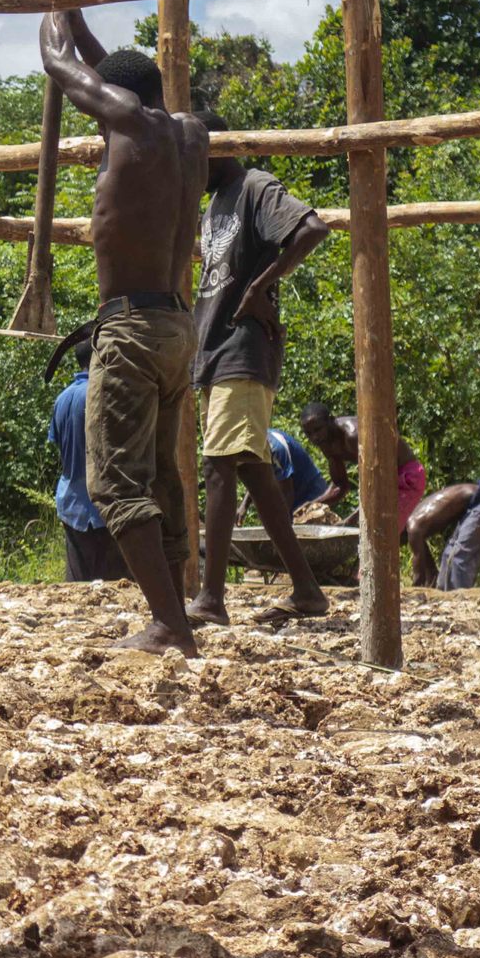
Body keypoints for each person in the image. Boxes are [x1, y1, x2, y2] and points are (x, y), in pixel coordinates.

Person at [39, 0, 208, 657]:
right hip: (176, 324)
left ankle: (169, 623)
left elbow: (58, 65)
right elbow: (112, 74)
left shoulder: (129, 125)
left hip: (134, 328)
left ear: (119, 100)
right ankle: (178, 618)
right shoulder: (189, 135)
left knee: (115, 482)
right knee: (164, 481)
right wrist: (81, 15)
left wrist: (52, 10)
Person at [185, 118, 332, 627]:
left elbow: (312, 229)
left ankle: (211, 597)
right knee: (249, 468)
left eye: (193, 154)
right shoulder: (212, 205)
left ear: (215, 149)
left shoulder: (254, 186)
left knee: (219, 465)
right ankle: (308, 590)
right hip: (215, 349)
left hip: (243, 348)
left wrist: (261, 286)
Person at [48, 339, 129, 582]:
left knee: (77, 585)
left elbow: (59, 442)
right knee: (114, 587)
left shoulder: (62, 398)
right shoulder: (105, 393)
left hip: (71, 502)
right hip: (105, 504)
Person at [300, 402, 428, 527]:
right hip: (384, 482)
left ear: (331, 420)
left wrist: (354, 518)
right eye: (309, 433)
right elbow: (340, 486)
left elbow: (380, 480)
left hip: (406, 478)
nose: (314, 437)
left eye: (318, 429)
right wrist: (312, 505)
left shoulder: (353, 436)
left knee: (383, 532)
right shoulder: (326, 443)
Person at [406, 481, 480, 590]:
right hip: (473, 505)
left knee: (459, 556)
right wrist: (431, 583)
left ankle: (459, 600)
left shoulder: (413, 527)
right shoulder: (415, 528)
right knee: (448, 555)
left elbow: (419, 576)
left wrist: (415, 591)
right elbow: (428, 564)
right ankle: (445, 595)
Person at [266, 428, 329, 514]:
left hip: (311, 491)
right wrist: (244, 506)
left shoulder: (276, 448)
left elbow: (288, 492)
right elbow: (256, 474)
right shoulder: (254, 445)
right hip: (291, 494)